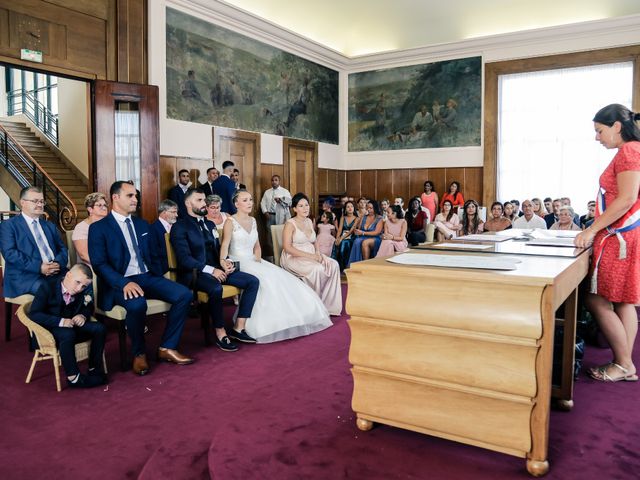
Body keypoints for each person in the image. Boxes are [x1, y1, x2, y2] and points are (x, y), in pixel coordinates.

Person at [89, 181, 194, 376]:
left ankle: (167, 347)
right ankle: (139, 353)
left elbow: (154, 253)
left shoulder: (142, 224)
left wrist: (158, 272)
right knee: (137, 305)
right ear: (115, 197)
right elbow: (99, 264)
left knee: (184, 294)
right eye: (130, 196)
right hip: (119, 282)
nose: (135, 200)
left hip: (147, 276)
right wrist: (123, 282)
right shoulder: (99, 228)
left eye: (136, 196)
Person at [574, 104, 640, 382]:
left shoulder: (629, 150)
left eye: (600, 131)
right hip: (625, 234)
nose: (597, 137)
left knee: (596, 298)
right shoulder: (633, 149)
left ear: (616, 126)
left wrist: (592, 230)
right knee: (624, 301)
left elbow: (626, 198)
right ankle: (624, 363)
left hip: (619, 236)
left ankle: (623, 364)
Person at [221, 190, 332, 343]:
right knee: (266, 280)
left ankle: (290, 319)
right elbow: (225, 244)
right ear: (236, 204)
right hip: (238, 261)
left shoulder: (253, 221)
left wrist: (258, 261)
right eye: (245, 200)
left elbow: (257, 246)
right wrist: (222, 260)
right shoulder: (230, 221)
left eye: (251, 199)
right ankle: (249, 326)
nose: (250, 203)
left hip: (254, 260)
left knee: (281, 276)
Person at [170, 189, 259, 352]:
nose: (204, 203)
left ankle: (239, 327)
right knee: (216, 288)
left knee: (252, 281)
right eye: (199, 200)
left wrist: (226, 262)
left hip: (216, 270)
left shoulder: (209, 224)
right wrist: (211, 270)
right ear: (188, 203)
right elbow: (184, 259)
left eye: (204, 200)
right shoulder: (179, 227)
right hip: (194, 274)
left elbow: (218, 250)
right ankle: (220, 332)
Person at [29, 263, 107, 388]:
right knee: (67, 333)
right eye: (77, 282)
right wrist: (60, 322)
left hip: (72, 325)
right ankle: (73, 377)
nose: (79, 288)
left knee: (99, 328)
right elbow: (35, 314)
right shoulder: (47, 287)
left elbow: (89, 306)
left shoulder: (82, 291)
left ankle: (94, 368)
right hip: (49, 330)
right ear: (68, 275)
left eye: (83, 286)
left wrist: (83, 315)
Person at [280, 193, 342, 315]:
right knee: (317, 269)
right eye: (301, 206)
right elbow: (287, 248)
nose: (305, 208)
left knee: (333, 265)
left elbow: (314, 240)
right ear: (294, 209)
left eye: (307, 205)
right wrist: (311, 256)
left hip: (312, 253)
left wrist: (318, 253)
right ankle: (315, 307)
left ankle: (329, 306)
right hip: (293, 257)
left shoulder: (309, 221)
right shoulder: (290, 224)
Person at [0, 186, 67, 298]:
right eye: (35, 201)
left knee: (83, 280)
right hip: (26, 276)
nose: (40, 205)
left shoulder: (49, 225)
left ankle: (78, 315)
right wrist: (39, 267)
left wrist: (57, 264)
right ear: (23, 203)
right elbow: (10, 254)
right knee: (50, 290)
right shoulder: (8, 226)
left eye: (41, 201)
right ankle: (59, 316)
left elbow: (63, 249)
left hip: (55, 271)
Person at [72, 192, 109, 266]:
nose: (104, 208)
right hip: (91, 267)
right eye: (99, 205)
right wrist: (105, 266)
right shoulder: (81, 228)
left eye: (105, 205)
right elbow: (84, 255)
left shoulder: (108, 225)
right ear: (90, 209)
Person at [260, 175, 292, 254]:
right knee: (269, 234)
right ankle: (272, 252)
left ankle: (281, 251)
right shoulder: (267, 192)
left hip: (280, 216)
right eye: (272, 180)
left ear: (279, 181)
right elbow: (262, 203)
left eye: (276, 180)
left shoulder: (285, 191)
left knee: (280, 233)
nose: (274, 182)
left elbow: (290, 202)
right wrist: (265, 212)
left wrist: (281, 200)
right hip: (269, 215)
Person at [348, 200, 384, 265]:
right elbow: (358, 229)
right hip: (363, 236)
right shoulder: (364, 217)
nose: (369, 210)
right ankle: (357, 264)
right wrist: (359, 220)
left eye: (371, 208)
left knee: (365, 242)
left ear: (375, 208)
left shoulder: (379, 218)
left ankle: (366, 264)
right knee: (357, 241)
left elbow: (377, 232)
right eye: (368, 207)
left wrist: (363, 233)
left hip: (375, 238)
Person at [149, 199, 179, 276]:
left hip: (179, 268)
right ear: (164, 212)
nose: (176, 215)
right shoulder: (152, 229)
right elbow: (154, 255)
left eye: (176, 212)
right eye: (173, 212)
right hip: (164, 271)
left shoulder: (178, 227)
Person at [334, 200, 357, 271]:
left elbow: (351, 231)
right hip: (342, 235)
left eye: (351, 206)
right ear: (345, 209)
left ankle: (345, 267)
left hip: (352, 236)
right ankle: (337, 267)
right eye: (348, 207)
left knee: (344, 242)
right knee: (335, 243)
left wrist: (341, 239)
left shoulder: (357, 218)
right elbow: (340, 230)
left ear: (354, 208)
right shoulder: (343, 218)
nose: (350, 208)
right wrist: (337, 238)